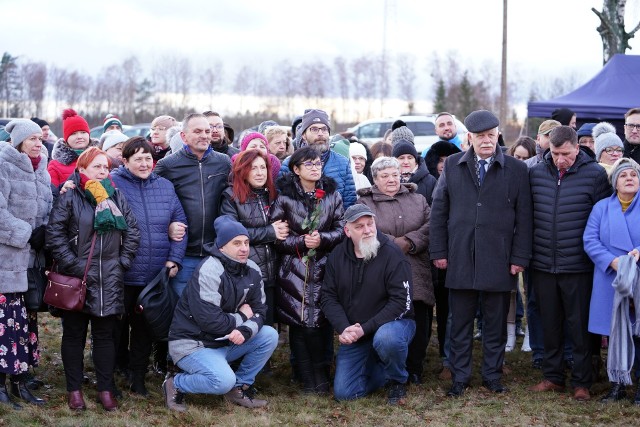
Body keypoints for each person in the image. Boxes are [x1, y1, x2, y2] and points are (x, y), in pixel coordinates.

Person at [430, 110, 533, 397]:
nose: (486, 141)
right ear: (470, 138)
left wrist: (519, 258)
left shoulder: (516, 169)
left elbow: (524, 217)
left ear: (498, 135)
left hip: (499, 258)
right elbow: (439, 212)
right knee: (460, 323)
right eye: (480, 136)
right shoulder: (452, 165)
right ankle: (460, 376)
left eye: (491, 135)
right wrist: (439, 251)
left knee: (496, 324)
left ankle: (492, 375)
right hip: (460, 256)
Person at [46, 147, 140, 411]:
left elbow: (132, 232)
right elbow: (56, 235)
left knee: (105, 336)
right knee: (74, 334)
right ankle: (74, 389)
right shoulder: (70, 195)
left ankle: (105, 388)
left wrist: (122, 263)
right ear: (82, 169)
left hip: (109, 277)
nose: (102, 171)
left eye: (106, 167)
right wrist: (73, 265)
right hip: (78, 277)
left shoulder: (116, 196)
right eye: (97, 166)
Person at [528, 125, 611, 401]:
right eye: (554, 153)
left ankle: (582, 380)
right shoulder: (537, 172)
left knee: (579, 326)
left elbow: (603, 221)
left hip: (579, 265)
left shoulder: (595, 174)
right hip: (542, 263)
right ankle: (553, 376)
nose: (560, 159)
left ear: (578, 147)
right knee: (549, 322)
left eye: (565, 153)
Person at [164, 216, 278, 411]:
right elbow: (211, 322)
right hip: (193, 343)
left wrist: (244, 330)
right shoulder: (210, 269)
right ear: (222, 247)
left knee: (269, 335)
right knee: (222, 380)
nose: (244, 248)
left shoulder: (252, 269)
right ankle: (176, 383)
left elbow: (260, 311)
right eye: (236, 243)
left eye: (246, 242)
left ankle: (239, 387)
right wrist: (242, 318)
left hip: (225, 340)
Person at [110, 137, 187, 396]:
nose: (144, 164)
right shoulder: (113, 184)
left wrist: (174, 259)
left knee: (144, 330)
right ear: (126, 161)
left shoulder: (164, 186)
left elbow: (180, 224)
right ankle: (110, 377)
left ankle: (138, 377)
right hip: (123, 271)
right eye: (138, 159)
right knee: (114, 330)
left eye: (148, 158)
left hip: (154, 274)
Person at [321, 204, 415, 404]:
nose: (367, 230)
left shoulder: (392, 254)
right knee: (345, 394)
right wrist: (344, 328)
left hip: (394, 325)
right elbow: (328, 297)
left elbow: (401, 303)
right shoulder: (337, 256)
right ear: (347, 231)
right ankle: (380, 368)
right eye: (359, 226)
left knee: (387, 339)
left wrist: (365, 328)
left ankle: (397, 381)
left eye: (370, 224)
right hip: (356, 332)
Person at [271, 146, 345, 394]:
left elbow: (341, 227)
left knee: (321, 324)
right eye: (309, 164)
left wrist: (322, 239)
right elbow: (277, 237)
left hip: (324, 267)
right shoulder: (284, 199)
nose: (315, 168)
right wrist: (301, 242)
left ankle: (323, 375)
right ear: (296, 169)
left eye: (317, 164)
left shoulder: (332, 195)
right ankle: (305, 378)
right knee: (299, 325)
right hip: (295, 269)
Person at [356, 156, 431, 385]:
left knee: (419, 314)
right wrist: (392, 244)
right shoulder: (364, 203)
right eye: (384, 175)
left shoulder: (418, 199)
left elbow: (431, 224)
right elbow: (363, 228)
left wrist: (409, 241)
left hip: (415, 265)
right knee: (385, 316)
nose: (391, 179)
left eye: (395, 174)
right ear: (375, 179)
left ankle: (415, 366)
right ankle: (385, 366)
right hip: (379, 267)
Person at [0, 120, 53, 409]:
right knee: (5, 324)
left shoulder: (41, 168)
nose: (38, 143)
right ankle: (1, 385)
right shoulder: (2, 165)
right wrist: (25, 233)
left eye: (39, 138)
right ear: (18, 141)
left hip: (33, 261)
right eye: (31, 138)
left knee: (24, 322)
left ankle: (21, 382)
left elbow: (47, 208)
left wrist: (45, 233)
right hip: (6, 259)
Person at [154, 113, 231, 297]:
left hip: (216, 252)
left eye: (207, 131)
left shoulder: (223, 162)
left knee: (211, 310)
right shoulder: (168, 165)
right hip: (184, 254)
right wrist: (168, 226)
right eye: (197, 131)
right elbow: (152, 201)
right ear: (183, 136)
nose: (205, 135)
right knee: (182, 310)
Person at [584, 158, 640, 404]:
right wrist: (612, 262)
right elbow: (590, 240)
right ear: (614, 181)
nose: (629, 178)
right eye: (623, 175)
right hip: (610, 278)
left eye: (634, 175)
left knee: (638, 331)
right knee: (616, 331)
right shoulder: (601, 208)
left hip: (638, 277)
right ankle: (617, 384)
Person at [220, 150, 288, 327]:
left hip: (273, 271)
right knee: (248, 325)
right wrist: (270, 233)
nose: (260, 173)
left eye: (263, 167)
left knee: (269, 325)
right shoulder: (231, 196)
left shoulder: (272, 194)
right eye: (253, 168)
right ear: (243, 170)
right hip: (246, 273)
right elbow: (233, 234)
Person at [280, 109, 356, 209]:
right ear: (303, 135)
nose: (320, 133)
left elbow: (349, 203)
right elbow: (281, 203)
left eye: (324, 129)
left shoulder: (342, 163)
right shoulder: (289, 164)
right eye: (314, 129)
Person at [48, 109, 94, 187]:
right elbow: (51, 194)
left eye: (83, 132)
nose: (79, 137)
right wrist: (61, 189)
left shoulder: (100, 159)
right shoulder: (55, 165)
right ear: (66, 139)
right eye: (74, 134)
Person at [392, 140, 437, 205]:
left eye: (410, 158)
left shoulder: (430, 181)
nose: (406, 162)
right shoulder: (388, 180)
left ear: (416, 161)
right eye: (401, 158)